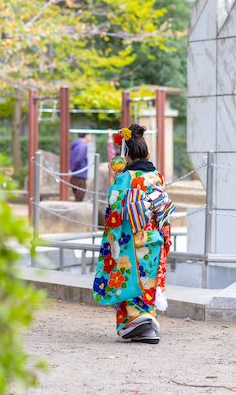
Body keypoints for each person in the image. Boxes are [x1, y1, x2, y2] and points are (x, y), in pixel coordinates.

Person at [93, 123, 175, 344]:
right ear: (147, 154)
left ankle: (138, 322)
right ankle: (147, 323)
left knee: (129, 281)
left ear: (125, 157)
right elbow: (162, 210)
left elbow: (113, 210)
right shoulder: (157, 177)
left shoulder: (124, 179)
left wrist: (114, 240)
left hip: (131, 240)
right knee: (147, 282)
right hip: (154, 239)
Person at [69, 129, 91, 201]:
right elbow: (79, 159)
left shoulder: (75, 145)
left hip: (74, 175)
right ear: (87, 135)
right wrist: (73, 170)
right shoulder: (83, 145)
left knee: (77, 197)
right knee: (79, 199)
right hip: (79, 175)